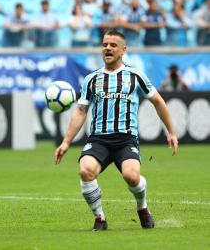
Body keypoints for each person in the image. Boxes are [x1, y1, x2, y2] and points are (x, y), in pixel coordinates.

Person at [55, 30, 178, 231]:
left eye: (113, 45)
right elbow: (80, 111)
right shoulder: (91, 79)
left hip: (126, 139)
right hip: (98, 140)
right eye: (105, 44)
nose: (108, 48)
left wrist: (171, 132)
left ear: (123, 50)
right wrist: (66, 141)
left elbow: (158, 101)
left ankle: (142, 207)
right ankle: (99, 218)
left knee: (131, 176)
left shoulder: (135, 75)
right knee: (85, 170)